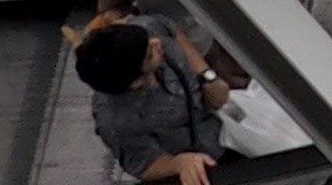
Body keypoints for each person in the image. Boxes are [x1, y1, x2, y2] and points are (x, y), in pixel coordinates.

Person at [76, 18, 224, 185]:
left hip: (224, 126)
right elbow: (145, 165)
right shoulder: (117, 121)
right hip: (201, 165)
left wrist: (206, 76)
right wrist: (179, 163)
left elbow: (172, 32)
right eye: (149, 55)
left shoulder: (143, 29)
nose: (156, 42)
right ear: (137, 82)